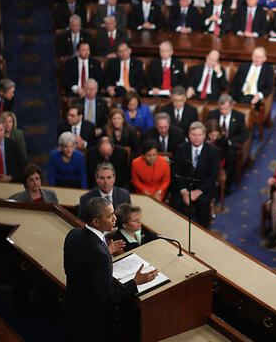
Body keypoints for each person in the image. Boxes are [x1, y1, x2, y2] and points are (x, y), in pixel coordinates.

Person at [63, 197, 159, 341]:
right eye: (109, 216)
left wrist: (107, 251)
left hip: (72, 310)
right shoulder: (99, 254)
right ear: (95, 221)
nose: (115, 218)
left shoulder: (73, 234)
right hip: (92, 323)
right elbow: (105, 297)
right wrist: (135, 282)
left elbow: (72, 268)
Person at [170, 121, 221, 229]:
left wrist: (198, 192)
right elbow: (176, 172)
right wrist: (184, 191)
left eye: (199, 135)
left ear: (204, 135)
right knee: (176, 204)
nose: (196, 138)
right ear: (189, 135)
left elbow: (213, 176)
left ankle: (203, 232)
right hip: (184, 187)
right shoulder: (181, 148)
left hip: (203, 188)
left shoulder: (213, 151)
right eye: (194, 135)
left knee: (203, 204)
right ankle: (177, 231)